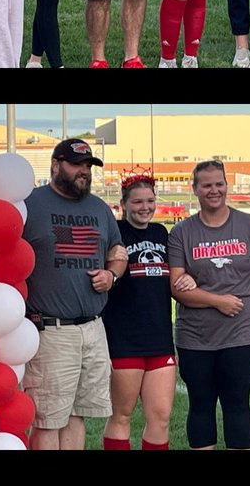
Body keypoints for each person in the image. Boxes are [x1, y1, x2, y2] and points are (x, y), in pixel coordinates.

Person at [169, 161, 250, 450]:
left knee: (237, 404)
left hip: (241, 333)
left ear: (226, 185)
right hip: (195, 336)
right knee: (200, 404)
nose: (214, 190)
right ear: (195, 189)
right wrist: (217, 300)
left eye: (219, 183)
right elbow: (177, 287)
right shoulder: (181, 232)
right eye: (206, 185)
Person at [22, 138, 127, 450]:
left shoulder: (98, 207)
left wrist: (112, 274)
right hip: (51, 331)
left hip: (93, 328)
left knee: (76, 415)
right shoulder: (30, 203)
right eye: (76, 165)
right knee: (47, 419)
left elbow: (118, 251)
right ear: (56, 165)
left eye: (88, 166)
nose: (83, 172)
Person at [100, 173, 176, 450]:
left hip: (160, 338)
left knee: (161, 417)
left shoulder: (161, 233)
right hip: (124, 339)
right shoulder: (113, 233)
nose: (145, 207)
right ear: (123, 204)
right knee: (122, 415)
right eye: (137, 202)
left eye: (150, 201)